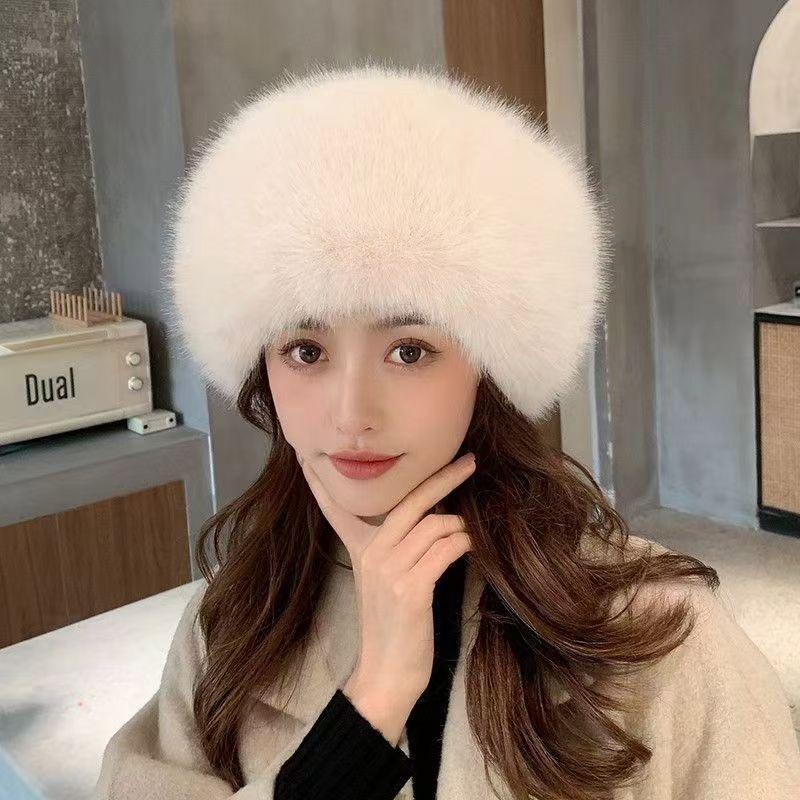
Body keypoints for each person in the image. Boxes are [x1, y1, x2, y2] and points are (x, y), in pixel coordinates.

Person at [92, 61, 800, 799]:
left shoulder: (658, 636)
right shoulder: (234, 624)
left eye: (409, 351)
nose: (351, 414)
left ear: (487, 364)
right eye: (305, 350)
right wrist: (368, 710)